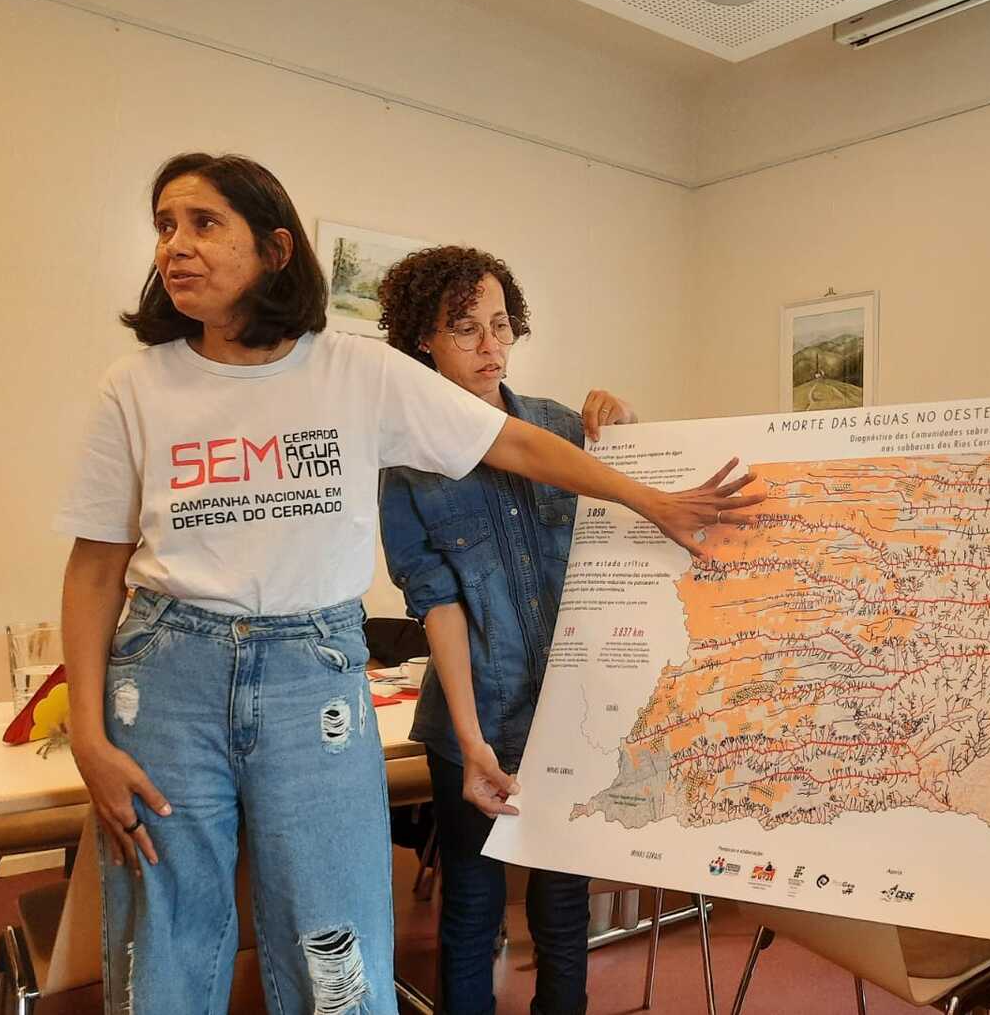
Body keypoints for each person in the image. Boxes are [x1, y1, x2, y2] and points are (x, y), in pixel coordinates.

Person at [55, 153, 758, 1014]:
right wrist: (87, 734)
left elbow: (516, 442)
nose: (176, 244)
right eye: (165, 225)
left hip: (312, 676)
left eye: (204, 223)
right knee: (166, 934)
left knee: (335, 940)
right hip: (169, 673)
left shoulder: (354, 371)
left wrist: (651, 499)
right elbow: (95, 568)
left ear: (274, 248)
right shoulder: (135, 386)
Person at [377, 245, 653, 1015]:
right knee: (471, 907)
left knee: (563, 908)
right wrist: (472, 741)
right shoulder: (407, 466)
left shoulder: (562, 428)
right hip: (472, 721)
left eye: (500, 325)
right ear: (423, 339)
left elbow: (643, 507)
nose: (490, 345)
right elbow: (439, 605)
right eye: (465, 328)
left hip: (567, 714)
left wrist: (629, 427)